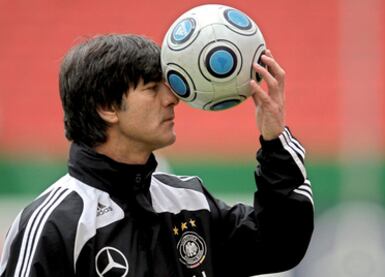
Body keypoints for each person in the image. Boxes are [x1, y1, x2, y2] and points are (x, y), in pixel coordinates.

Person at [0, 34, 313, 277]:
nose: (172, 98)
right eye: (152, 88)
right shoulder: (54, 223)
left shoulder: (188, 202)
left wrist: (274, 139)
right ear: (107, 108)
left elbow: (281, 245)